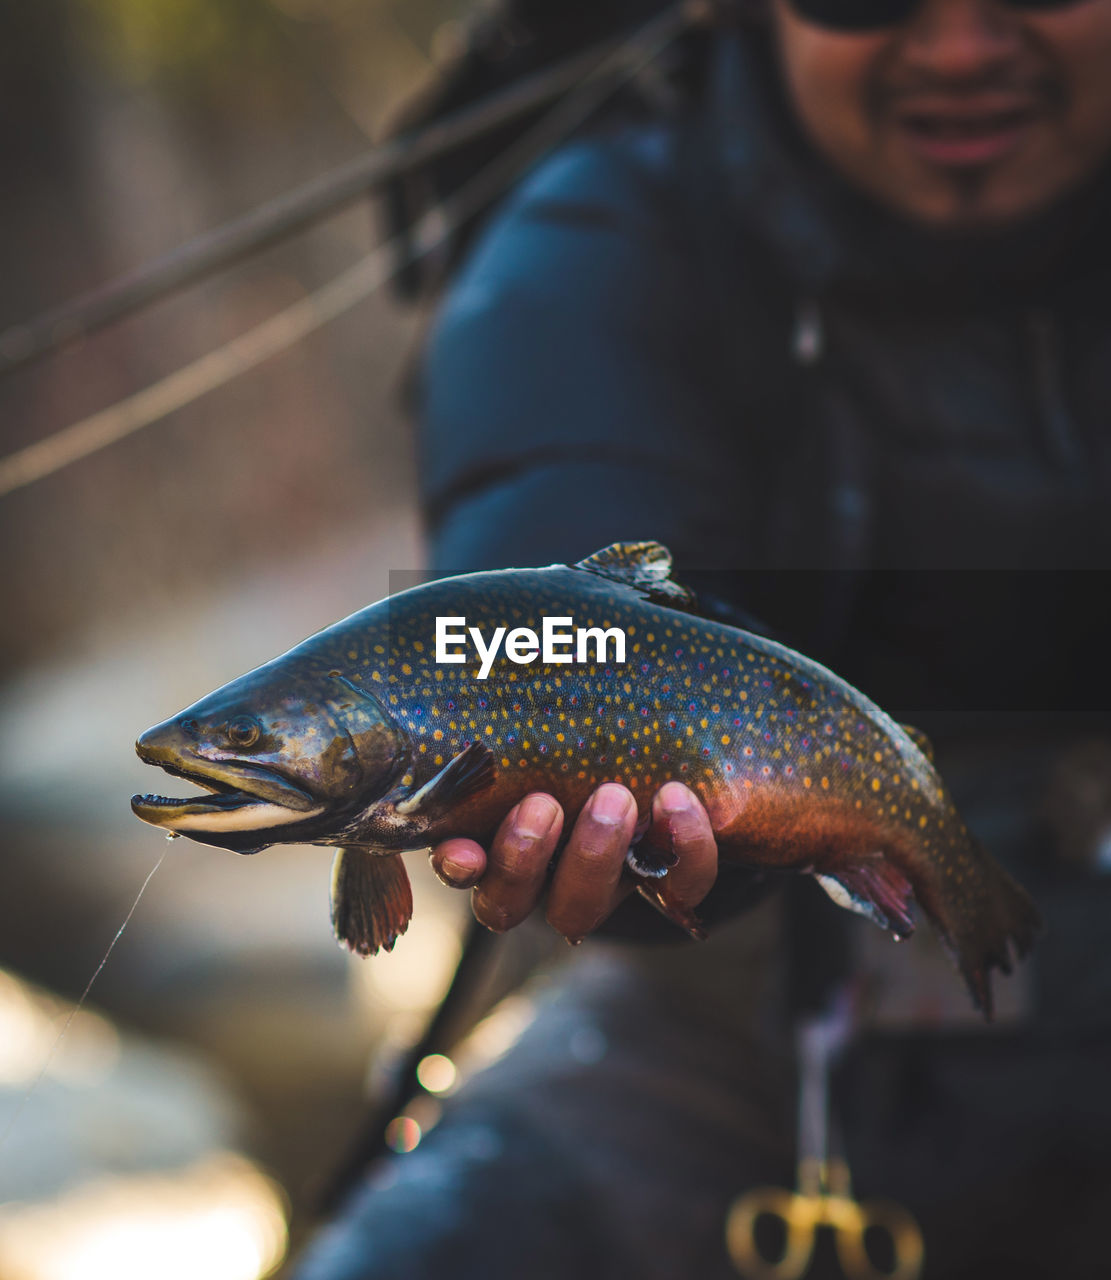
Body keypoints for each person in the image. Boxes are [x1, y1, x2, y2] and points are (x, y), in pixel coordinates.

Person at [296, 0, 1111, 1275]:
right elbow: (555, 607)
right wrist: (647, 850)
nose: (958, 44)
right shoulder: (588, 248)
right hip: (727, 1032)